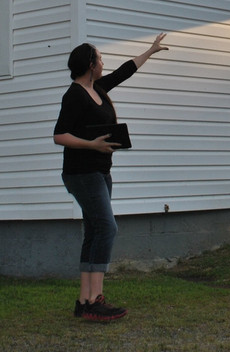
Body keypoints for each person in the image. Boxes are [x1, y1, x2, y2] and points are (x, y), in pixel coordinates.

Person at [53, 33, 168, 321]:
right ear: (91, 65)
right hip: (82, 173)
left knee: (94, 231)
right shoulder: (74, 95)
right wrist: (91, 144)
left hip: (101, 171)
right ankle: (94, 300)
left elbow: (124, 72)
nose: (104, 62)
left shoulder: (98, 89)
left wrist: (150, 51)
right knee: (107, 228)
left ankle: (84, 301)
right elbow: (59, 135)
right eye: (100, 58)